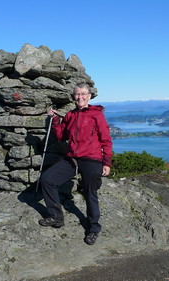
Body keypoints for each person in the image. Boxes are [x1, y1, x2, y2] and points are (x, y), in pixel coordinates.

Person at [38, 83, 113, 245]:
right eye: (77, 94)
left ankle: (94, 227)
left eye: (83, 94)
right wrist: (55, 119)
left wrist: (106, 162)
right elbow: (60, 136)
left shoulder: (96, 115)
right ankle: (56, 217)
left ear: (89, 96)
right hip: (72, 158)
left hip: (91, 159)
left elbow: (106, 139)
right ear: (74, 97)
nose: (80, 97)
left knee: (90, 192)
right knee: (47, 179)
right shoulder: (71, 115)